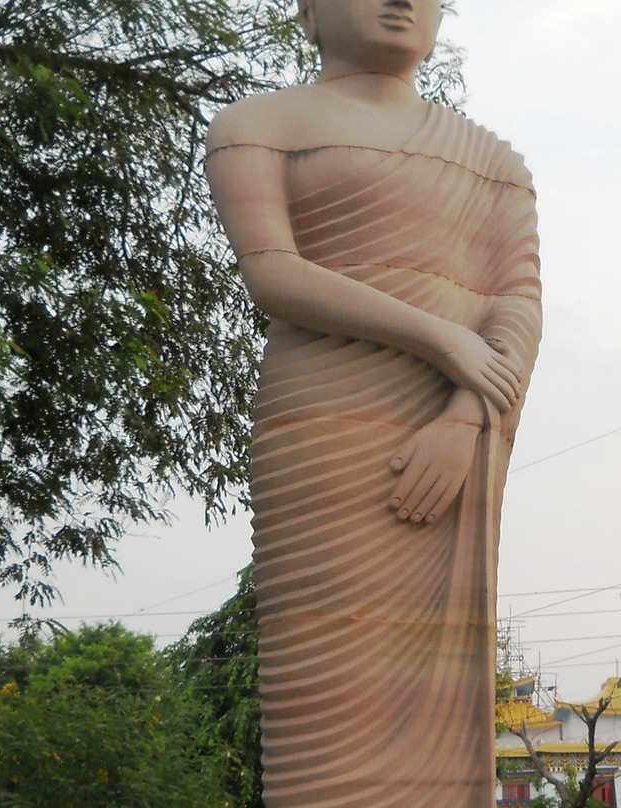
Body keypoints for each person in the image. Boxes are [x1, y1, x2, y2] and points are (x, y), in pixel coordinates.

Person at [205, 1, 541, 805]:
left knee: (440, 673)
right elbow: (273, 274)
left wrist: (466, 414)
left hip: (459, 428)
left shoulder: (492, 159)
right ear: (310, 13)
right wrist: (441, 339)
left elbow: (517, 302)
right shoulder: (257, 125)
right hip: (324, 425)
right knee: (326, 670)